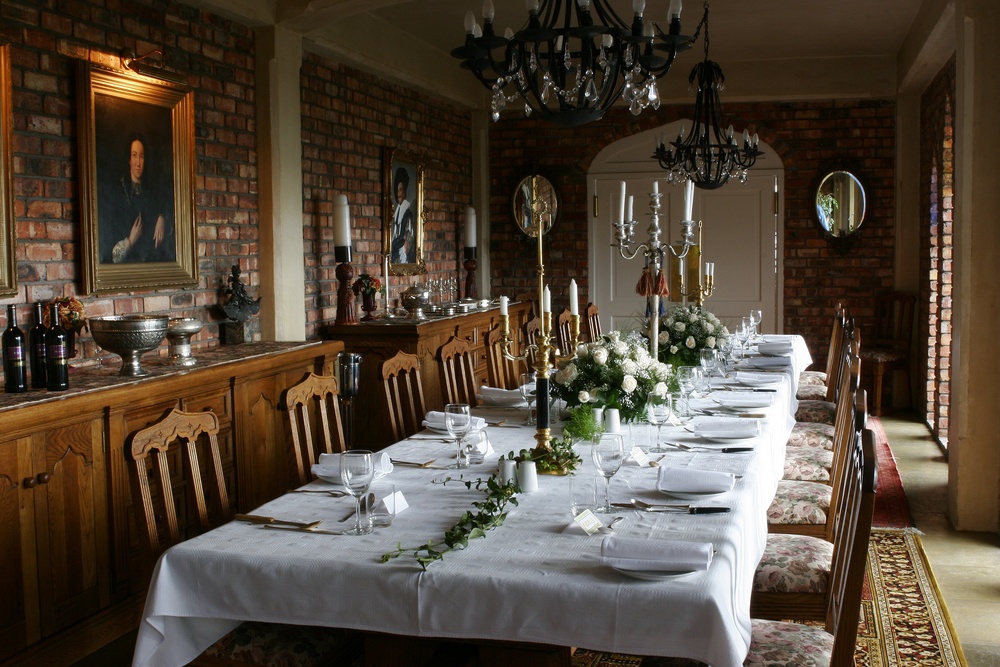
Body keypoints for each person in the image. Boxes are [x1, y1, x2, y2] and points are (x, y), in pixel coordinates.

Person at [100, 132, 173, 263]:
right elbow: (112, 255)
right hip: (127, 268)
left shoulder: (150, 193)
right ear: (129, 159)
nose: (138, 163)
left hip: (151, 264)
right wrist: (130, 241)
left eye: (141, 156)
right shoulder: (118, 192)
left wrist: (161, 218)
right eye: (134, 155)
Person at [389, 167, 414, 264]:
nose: (399, 194)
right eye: (397, 190)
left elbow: (408, 238)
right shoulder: (397, 213)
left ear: (404, 192)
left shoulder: (408, 214)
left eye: (401, 190)